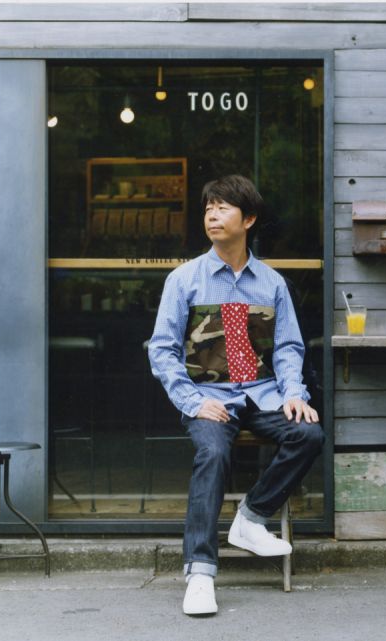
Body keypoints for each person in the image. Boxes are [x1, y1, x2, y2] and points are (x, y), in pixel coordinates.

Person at [148, 174, 324, 616]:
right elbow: (162, 350)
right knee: (213, 453)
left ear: (248, 219)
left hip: (263, 395)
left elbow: (288, 348)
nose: (212, 214)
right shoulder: (184, 279)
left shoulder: (272, 283)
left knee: (308, 433)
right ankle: (200, 572)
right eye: (209, 207)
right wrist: (192, 401)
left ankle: (251, 518)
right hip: (208, 396)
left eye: (223, 207)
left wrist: (294, 393)